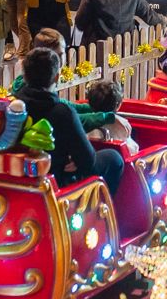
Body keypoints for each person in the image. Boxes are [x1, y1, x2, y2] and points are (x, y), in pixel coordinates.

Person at [16, 46, 123, 194]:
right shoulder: (62, 113)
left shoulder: (14, 105)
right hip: (56, 180)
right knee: (114, 158)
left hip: (20, 176)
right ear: (56, 77)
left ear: (25, 75)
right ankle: (100, 213)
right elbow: (88, 161)